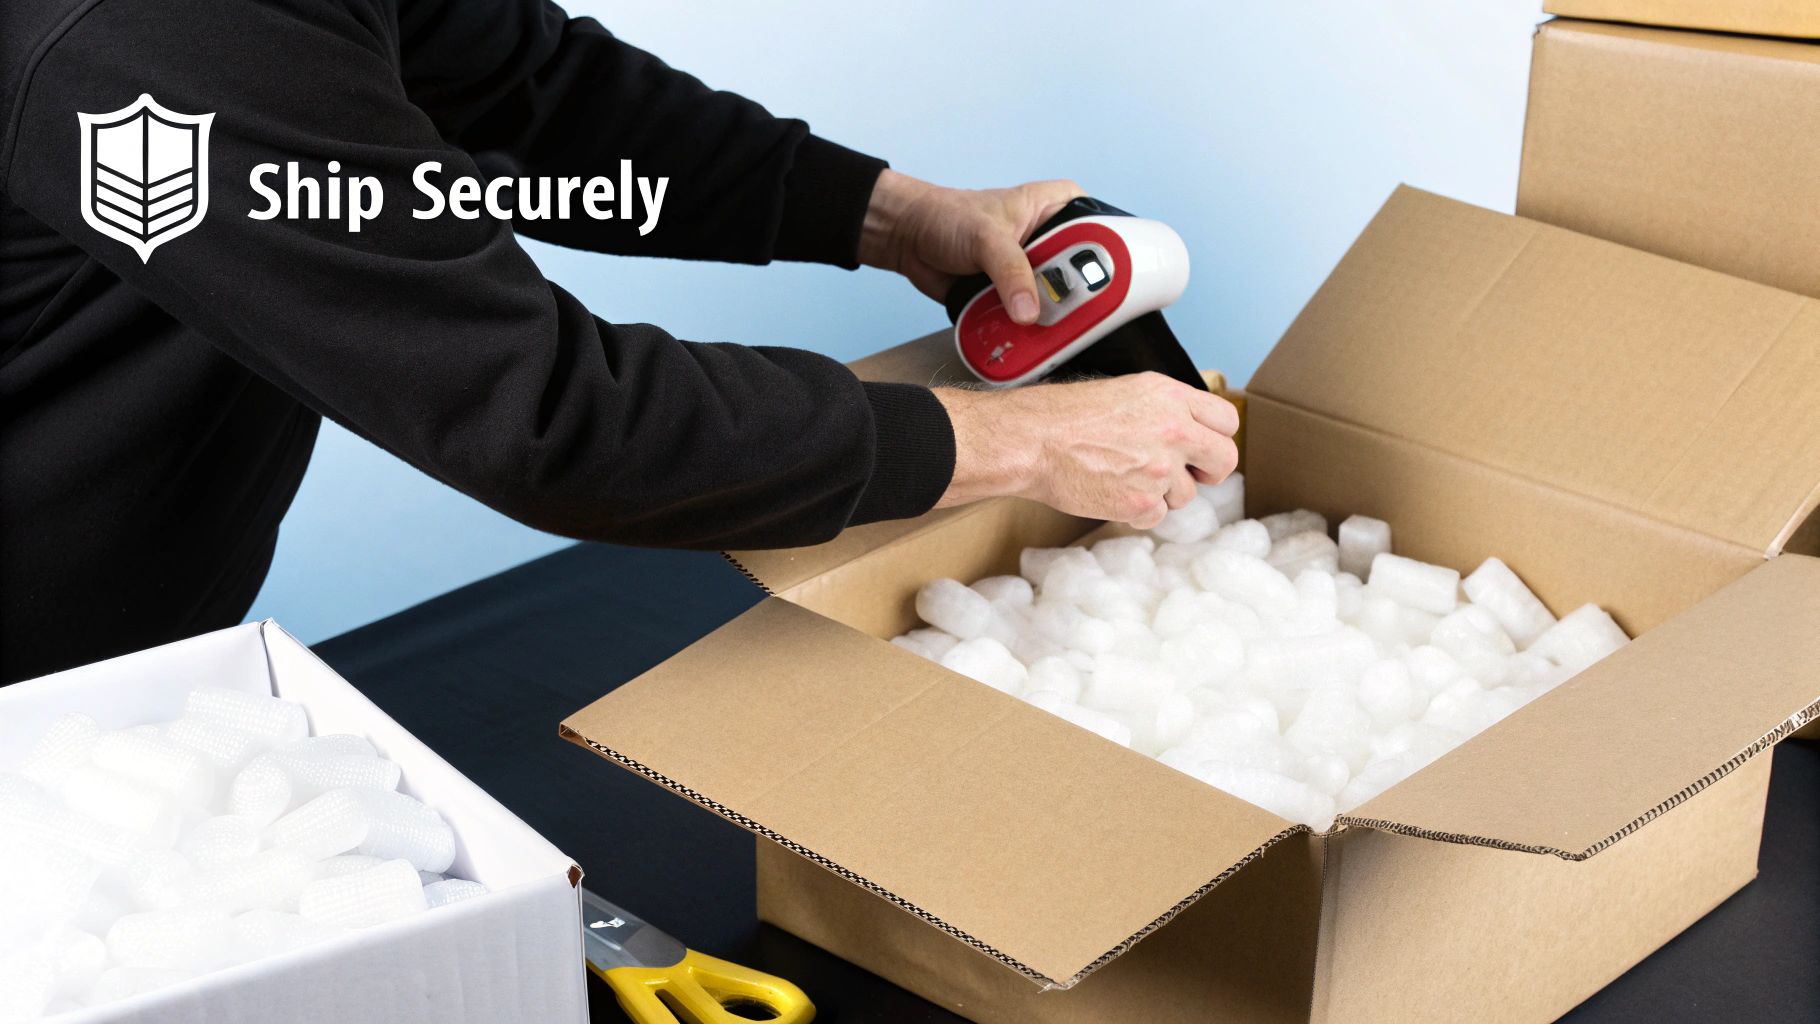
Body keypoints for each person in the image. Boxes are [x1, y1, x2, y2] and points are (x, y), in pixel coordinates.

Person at [0, 0, 1238, 683]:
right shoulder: (155, 34)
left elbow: (526, 87)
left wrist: (890, 214)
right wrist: (1015, 442)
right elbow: (550, 418)